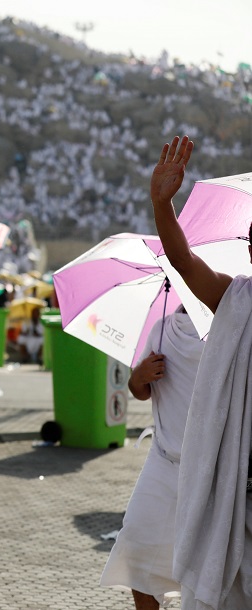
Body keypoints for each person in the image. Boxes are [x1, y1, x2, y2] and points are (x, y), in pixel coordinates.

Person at [150, 135, 252, 609]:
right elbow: (184, 261)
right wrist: (162, 205)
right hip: (240, 483)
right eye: (251, 239)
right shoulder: (237, 299)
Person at [100, 305, 203, 609]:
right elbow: (140, 390)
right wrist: (139, 376)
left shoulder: (231, 326)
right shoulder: (162, 328)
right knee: (136, 549)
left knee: (209, 571)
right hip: (163, 460)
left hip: (213, 468)